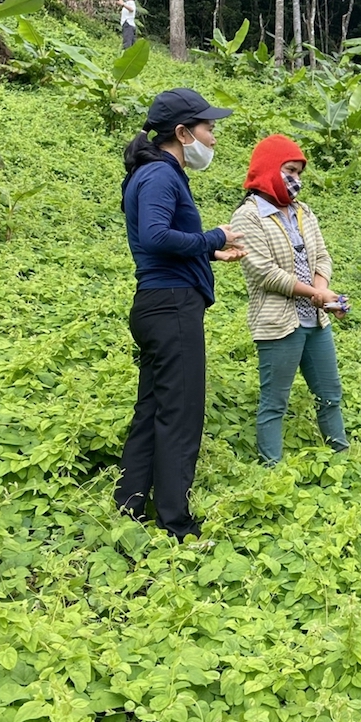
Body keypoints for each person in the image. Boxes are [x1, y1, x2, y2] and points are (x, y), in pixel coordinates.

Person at [115, 88, 246, 541]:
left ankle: (129, 506)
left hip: (158, 301)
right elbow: (154, 237)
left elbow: (162, 244)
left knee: (153, 406)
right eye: (209, 128)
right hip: (171, 306)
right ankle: (176, 524)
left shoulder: (154, 173)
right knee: (180, 412)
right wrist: (213, 237)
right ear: (182, 132)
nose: (213, 137)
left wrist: (210, 254)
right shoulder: (160, 176)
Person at [230, 134, 349, 464]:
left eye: (299, 173)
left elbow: (322, 255)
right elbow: (265, 273)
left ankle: (341, 461)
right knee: (274, 402)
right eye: (290, 171)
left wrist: (323, 290)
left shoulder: (303, 212)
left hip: (315, 321)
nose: (296, 180)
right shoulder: (248, 216)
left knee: (330, 395)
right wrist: (317, 294)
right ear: (269, 168)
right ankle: (272, 471)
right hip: (278, 324)